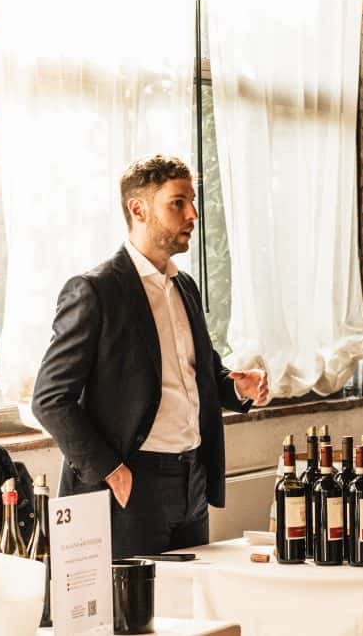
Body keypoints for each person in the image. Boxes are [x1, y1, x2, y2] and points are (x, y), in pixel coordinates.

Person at [32, 155, 270, 558]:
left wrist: (237, 387)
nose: (192, 214)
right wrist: (110, 471)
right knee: (134, 603)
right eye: (177, 202)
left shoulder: (185, 286)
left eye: (192, 201)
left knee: (194, 600)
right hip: (129, 486)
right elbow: (50, 399)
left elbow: (198, 375)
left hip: (192, 481)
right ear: (138, 209)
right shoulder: (94, 291)